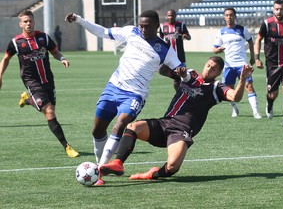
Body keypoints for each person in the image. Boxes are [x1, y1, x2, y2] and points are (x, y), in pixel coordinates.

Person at [65, 10, 184, 180]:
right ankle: (102, 164)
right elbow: (103, 32)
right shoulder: (131, 32)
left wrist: (183, 73)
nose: (143, 29)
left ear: (157, 26)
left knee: (120, 124)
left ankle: (98, 172)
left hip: (135, 94)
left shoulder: (165, 49)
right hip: (113, 87)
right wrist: (79, 20)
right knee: (97, 130)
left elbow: (180, 69)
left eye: (147, 26)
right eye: (141, 25)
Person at [99, 56, 254, 182]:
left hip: (181, 132)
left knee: (172, 166)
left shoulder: (216, 88)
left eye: (213, 68)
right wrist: (172, 66)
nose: (209, 69)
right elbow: (163, 70)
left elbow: (236, 97)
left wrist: (242, 80)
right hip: (164, 123)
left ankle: (152, 174)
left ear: (219, 72)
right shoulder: (191, 74)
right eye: (208, 65)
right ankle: (118, 163)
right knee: (133, 127)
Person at [0, 10, 80, 158]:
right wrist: (0, 76)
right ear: (20, 24)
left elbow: (55, 52)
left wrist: (62, 58)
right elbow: (5, 59)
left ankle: (28, 99)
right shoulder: (16, 43)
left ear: (34, 21)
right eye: (25, 21)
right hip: (31, 81)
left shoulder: (43, 37)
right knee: (49, 111)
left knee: (50, 109)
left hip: (48, 79)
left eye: (30, 21)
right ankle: (67, 146)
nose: (28, 23)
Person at [213, 7, 261, 119]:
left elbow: (250, 41)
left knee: (249, 86)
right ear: (224, 17)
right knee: (229, 89)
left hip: (242, 64)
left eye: (231, 15)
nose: (229, 17)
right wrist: (218, 49)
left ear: (235, 16)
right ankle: (235, 109)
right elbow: (214, 49)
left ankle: (256, 112)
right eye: (227, 15)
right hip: (229, 65)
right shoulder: (221, 32)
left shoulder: (242, 29)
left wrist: (253, 57)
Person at [254, 0, 283, 129]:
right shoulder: (267, 24)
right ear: (273, 9)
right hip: (272, 65)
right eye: (277, 9)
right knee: (273, 94)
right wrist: (257, 58)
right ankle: (270, 104)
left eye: (282, 9)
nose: (279, 11)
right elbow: (258, 39)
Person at [159, 9, 191, 91]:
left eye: (172, 15)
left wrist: (185, 36)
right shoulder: (163, 27)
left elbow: (188, 37)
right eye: (169, 15)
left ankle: (181, 93)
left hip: (179, 56)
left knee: (180, 78)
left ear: (175, 16)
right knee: (161, 70)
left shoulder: (181, 25)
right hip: (168, 56)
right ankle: (175, 77)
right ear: (167, 16)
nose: (170, 17)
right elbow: (160, 40)